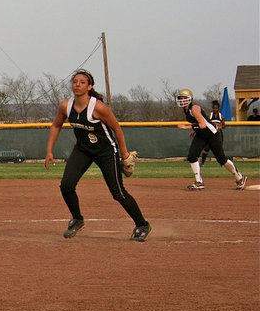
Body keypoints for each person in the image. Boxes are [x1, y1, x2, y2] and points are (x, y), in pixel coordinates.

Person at [45, 69, 151, 241]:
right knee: (66, 185)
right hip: (83, 150)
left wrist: (124, 155)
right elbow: (56, 125)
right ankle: (77, 219)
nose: (77, 85)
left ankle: (142, 224)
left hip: (106, 151)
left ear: (89, 86)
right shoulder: (66, 105)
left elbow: (117, 128)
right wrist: (49, 150)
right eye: (75, 82)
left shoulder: (98, 107)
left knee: (118, 192)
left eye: (82, 82)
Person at [175, 89, 246, 190]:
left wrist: (186, 127)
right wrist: (194, 131)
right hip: (201, 135)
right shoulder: (186, 110)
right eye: (180, 98)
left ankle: (240, 177)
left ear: (190, 99)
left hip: (212, 135)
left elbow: (203, 125)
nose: (182, 100)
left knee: (221, 159)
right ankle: (199, 182)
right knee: (192, 156)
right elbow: (201, 123)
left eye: (184, 98)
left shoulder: (194, 108)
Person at [199, 101, 224, 165]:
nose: (215, 109)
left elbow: (223, 125)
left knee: (219, 148)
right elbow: (207, 122)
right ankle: (202, 162)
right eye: (214, 108)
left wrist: (220, 126)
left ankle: (222, 162)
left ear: (218, 109)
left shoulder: (221, 116)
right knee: (207, 148)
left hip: (218, 133)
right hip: (211, 133)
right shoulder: (210, 115)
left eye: (216, 108)